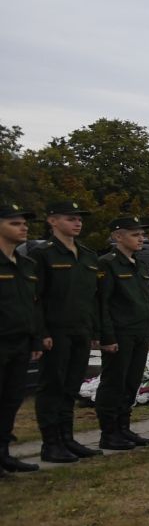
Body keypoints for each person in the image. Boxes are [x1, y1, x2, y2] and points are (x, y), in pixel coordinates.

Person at [33, 200, 100, 463]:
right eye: (71, 218)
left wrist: (93, 328)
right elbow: (35, 297)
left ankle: (67, 438)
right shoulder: (44, 254)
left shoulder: (86, 254)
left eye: (79, 218)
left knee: (71, 386)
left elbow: (91, 297)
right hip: (56, 331)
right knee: (53, 386)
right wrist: (41, 331)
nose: (78, 222)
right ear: (52, 221)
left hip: (80, 329)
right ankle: (51, 443)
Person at [93, 215, 149, 450]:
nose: (141, 238)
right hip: (120, 332)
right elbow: (103, 302)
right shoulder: (107, 263)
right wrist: (107, 336)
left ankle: (124, 427)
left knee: (131, 382)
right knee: (114, 382)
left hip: (139, 331)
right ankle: (109, 432)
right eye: (135, 234)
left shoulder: (138, 264)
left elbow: (142, 300)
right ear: (118, 236)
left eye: (142, 234)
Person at [0, 202, 40, 472]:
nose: (23, 227)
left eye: (24, 223)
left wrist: (36, 338)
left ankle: (3, 452)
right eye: (15, 223)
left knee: (12, 399)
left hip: (21, 342)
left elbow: (32, 304)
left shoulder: (26, 264)